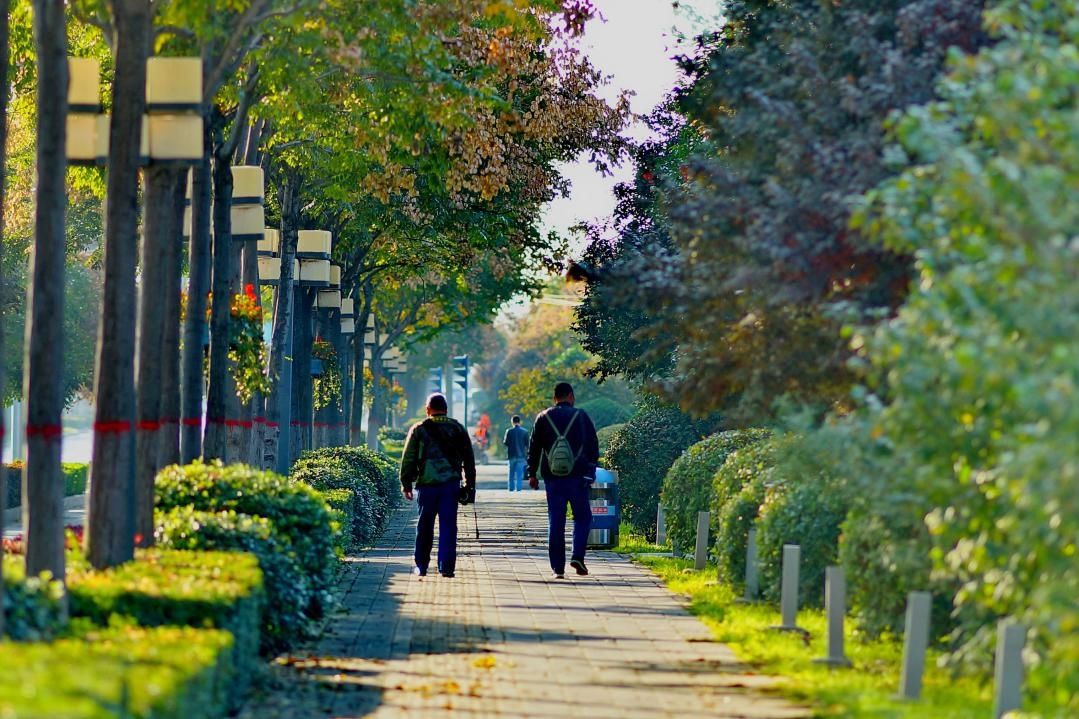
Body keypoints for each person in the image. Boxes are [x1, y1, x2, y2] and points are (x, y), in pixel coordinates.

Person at [527, 382, 600, 579]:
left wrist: (532, 474)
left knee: (556, 520)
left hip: (553, 478)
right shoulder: (581, 416)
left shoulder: (543, 417)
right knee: (583, 517)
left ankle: (557, 568)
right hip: (577, 476)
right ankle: (577, 556)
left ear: (554, 398)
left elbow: (534, 447)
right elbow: (593, 445)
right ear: (570, 396)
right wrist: (591, 470)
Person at [400, 393, 476, 578]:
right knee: (449, 526)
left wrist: (406, 483)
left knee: (425, 526)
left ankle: (422, 565)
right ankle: (447, 567)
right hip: (450, 486)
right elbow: (469, 459)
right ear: (446, 409)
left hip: (427, 485)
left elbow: (408, 458)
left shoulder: (419, 429)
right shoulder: (457, 428)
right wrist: (469, 486)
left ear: (427, 410)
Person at [503, 415, 529, 492]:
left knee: (511, 473)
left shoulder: (509, 431)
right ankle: (519, 488)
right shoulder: (525, 432)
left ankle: (511, 488)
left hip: (511, 455)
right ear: (519, 422)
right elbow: (527, 444)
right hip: (521, 456)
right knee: (519, 474)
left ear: (512, 422)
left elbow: (505, 442)